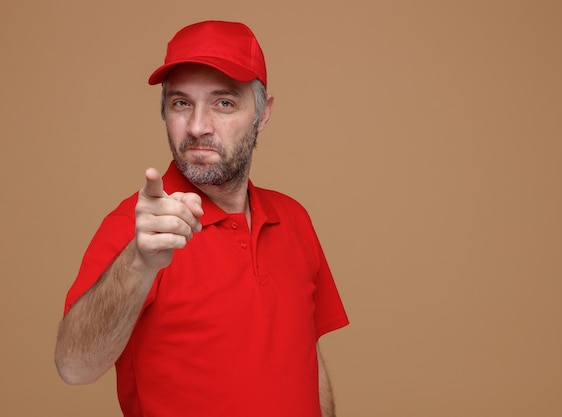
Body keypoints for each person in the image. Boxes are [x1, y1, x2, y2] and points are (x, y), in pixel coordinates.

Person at [55, 20, 349, 417]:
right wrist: (139, 262)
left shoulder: (293, 219)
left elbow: (308, 359)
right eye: (181, 103)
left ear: (263, 115)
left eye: (223, 103)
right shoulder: (137, 227)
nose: (197, 127)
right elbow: (73, 367)